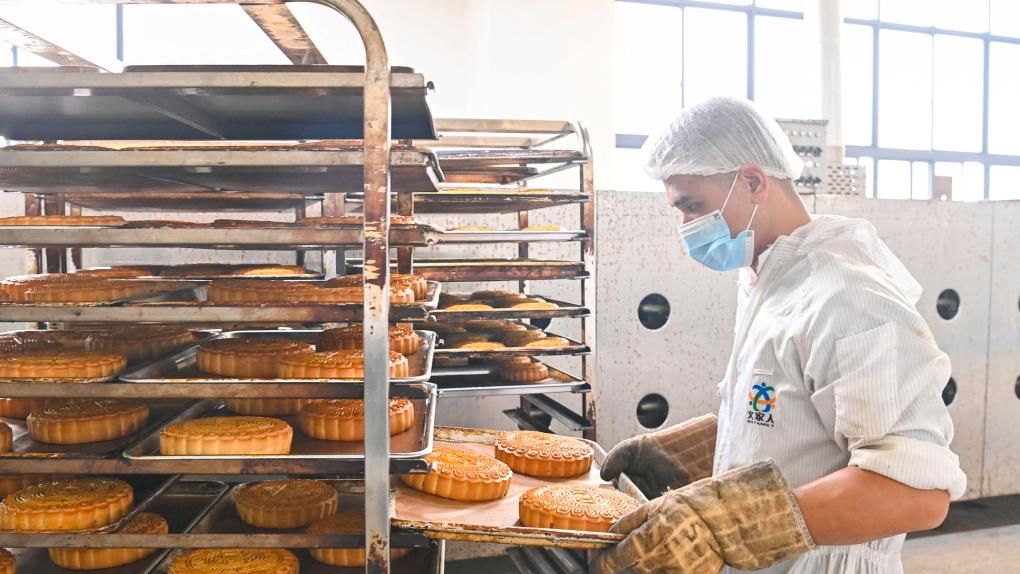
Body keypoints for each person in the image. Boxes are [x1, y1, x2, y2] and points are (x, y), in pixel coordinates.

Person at [590, 97, 966, 574]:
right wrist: (703, 449)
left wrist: (729, 521)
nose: (685, 228)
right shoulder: (768, 281)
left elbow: (916, 491)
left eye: (693, 206)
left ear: (752, 181)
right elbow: (795, 412)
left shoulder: (848, 295)